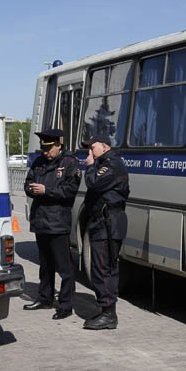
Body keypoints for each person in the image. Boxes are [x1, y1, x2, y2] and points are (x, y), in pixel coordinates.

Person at [23, 129, 81, 320]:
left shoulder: (69, 162)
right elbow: (28, 182)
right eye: (44, 149)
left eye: (49, 149)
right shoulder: (39, 162)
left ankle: (66, 305)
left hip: (58, 222)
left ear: (58, 145)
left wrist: (46, 190)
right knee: (45, 265)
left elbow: (69, 190)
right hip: (41, 220)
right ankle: (44, 298)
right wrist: (31, 189)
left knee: (65, 268)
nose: (46, 152)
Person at [80, 134, 129, 330]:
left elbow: (93, 182)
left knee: (102, 268)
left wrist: (90, 166)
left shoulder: (111, 164)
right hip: (103, 222)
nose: (89, 152)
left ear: (105, 146)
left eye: (92, 148)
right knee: (103, 267)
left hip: (107, 223)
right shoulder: (105, 163)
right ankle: (107, 310)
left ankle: (108, 313)